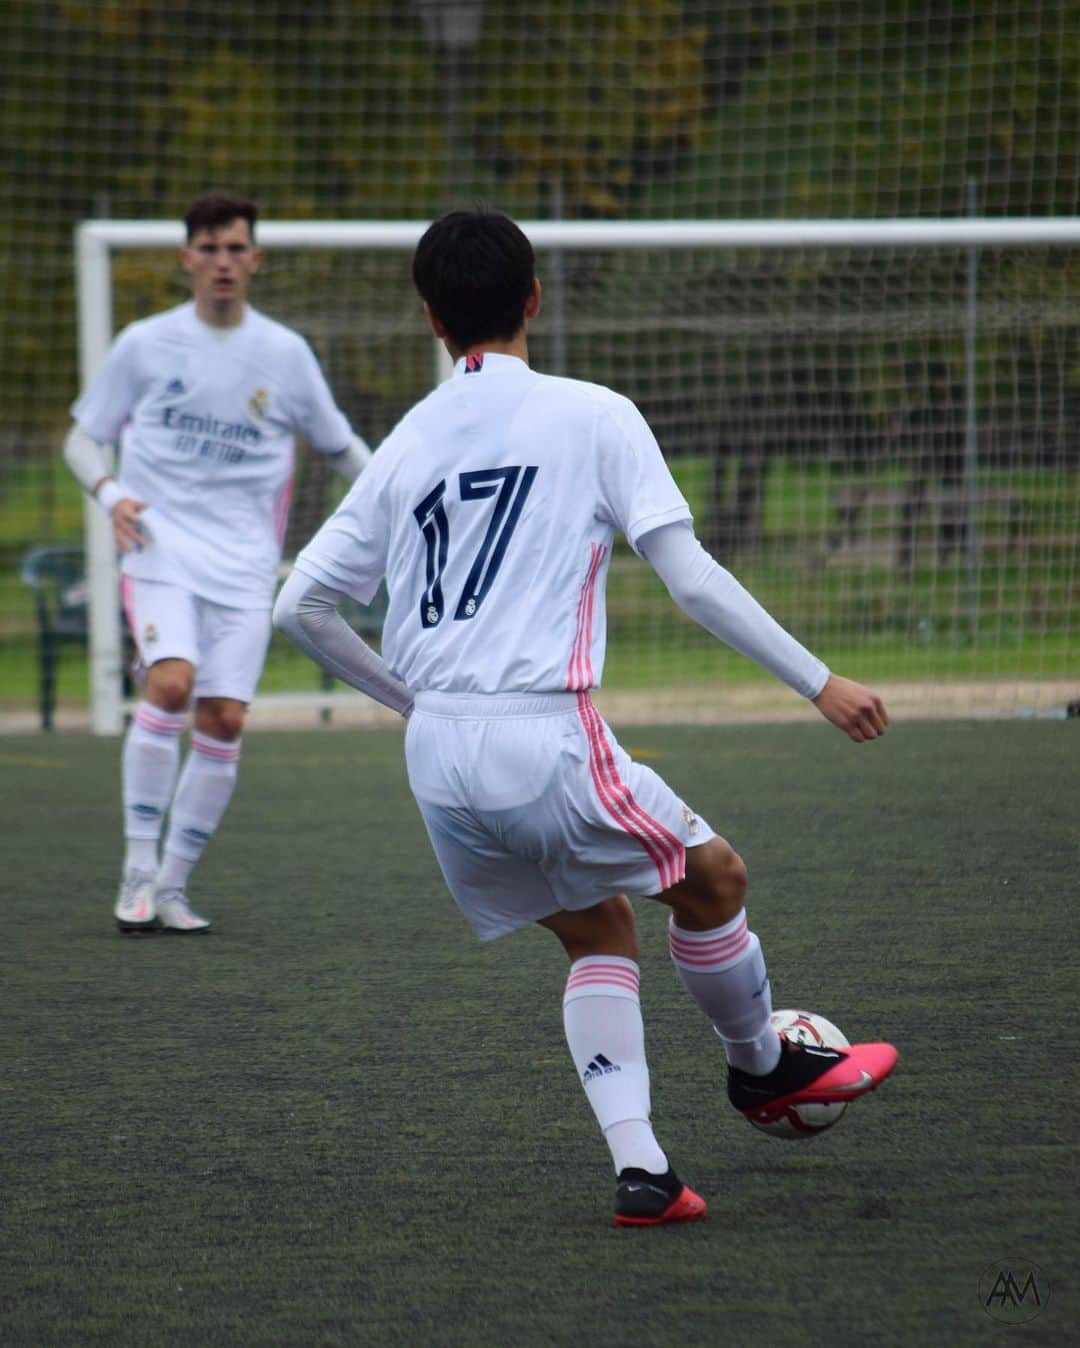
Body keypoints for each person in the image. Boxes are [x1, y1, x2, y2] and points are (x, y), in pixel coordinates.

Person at [273, 209, 898, 1227]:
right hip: (539, 734)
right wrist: (818, 680)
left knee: (597, 925)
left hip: (439, 759)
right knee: (716, 878)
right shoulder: (595, 412)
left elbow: (297, 605)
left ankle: (644, 1170)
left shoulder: (405, 442)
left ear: (432, 320)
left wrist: (413, 701)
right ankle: (761, 1066)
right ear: (533, 299)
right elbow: (688, 578)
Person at [64, 190, 373, 934]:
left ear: (255, 259)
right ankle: (138, 867)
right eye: (209, 248)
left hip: (244, 563)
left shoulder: (285, 354)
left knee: (226, 719)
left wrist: (398, 499)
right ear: (186, 259)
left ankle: (171, 886)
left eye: (236, 248)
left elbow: (341, 450)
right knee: (170, 686)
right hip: (160, 548)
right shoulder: (145, 344)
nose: (223, 262)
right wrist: (110, 495)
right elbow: (82, 438)